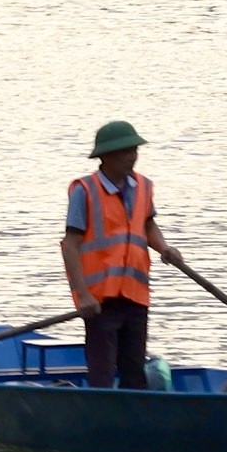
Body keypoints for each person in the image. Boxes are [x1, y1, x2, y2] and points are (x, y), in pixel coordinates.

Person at [61, 121, 184, 391]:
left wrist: (164, 248)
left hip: (135, 294)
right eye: (124, 152)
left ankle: (135, 422)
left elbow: (148, 224)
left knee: (134, 371)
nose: (132, 157)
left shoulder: (143, 187)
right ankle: (101, 418)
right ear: (105, 156)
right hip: (100, 299)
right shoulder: (85, 191)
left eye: (134, 150)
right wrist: (82, 295)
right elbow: (70, 245)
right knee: (102, 373)